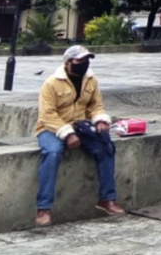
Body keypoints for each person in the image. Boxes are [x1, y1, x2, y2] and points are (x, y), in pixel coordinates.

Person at [34, 46, 124, 227]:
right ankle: (43, 208)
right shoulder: (51, 83)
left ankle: (107, 199)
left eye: (86, 61)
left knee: (106, 147)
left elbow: (95, 105)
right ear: (68, 63)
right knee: (52, 153)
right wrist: (67, 134)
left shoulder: (91, 80)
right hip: (51, 128)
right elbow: (47, 115)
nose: (84, 65)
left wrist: (99, 120)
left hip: (80, 126)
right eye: (79, 62)